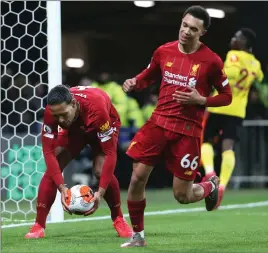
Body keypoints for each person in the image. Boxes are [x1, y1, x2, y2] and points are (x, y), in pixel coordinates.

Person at [120, 5, 232, 248]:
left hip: (188, 131)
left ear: (202, 33)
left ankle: (208, 185)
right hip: (158, 123)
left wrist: (201, 100)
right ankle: (138, 236)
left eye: (193, 29)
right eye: (184, 25)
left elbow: (227, 96)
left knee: (182, 196)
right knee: (137, 177)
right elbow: (148, 75)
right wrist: (134, 82)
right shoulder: (163, 51)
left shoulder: (211, 61)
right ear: (181, 22)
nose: (186, 32)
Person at [25, 85, 133, 239]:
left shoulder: (97, 110)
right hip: (75, 130)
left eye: (63, 114)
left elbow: (110, 153)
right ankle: (39, 225)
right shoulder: (52, 111)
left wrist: (100, 192)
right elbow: (48, 152)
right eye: (57, 116)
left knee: (100, 171)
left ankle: (119, 219)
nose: (60, 120)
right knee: (54, 166)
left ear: (74, 104)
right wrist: (61, 187)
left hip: (102, 126)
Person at [201, 28, 264, 207]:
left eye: (237, 37)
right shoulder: (256, 64)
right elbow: (259, 76)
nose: (233, 38)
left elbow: (230, 73)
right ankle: (222, 186)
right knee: (228, 146)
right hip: (238, 111)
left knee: (206, 141)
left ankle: (210, 173)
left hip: (220, 106)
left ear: (244, 43)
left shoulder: (233, 55)